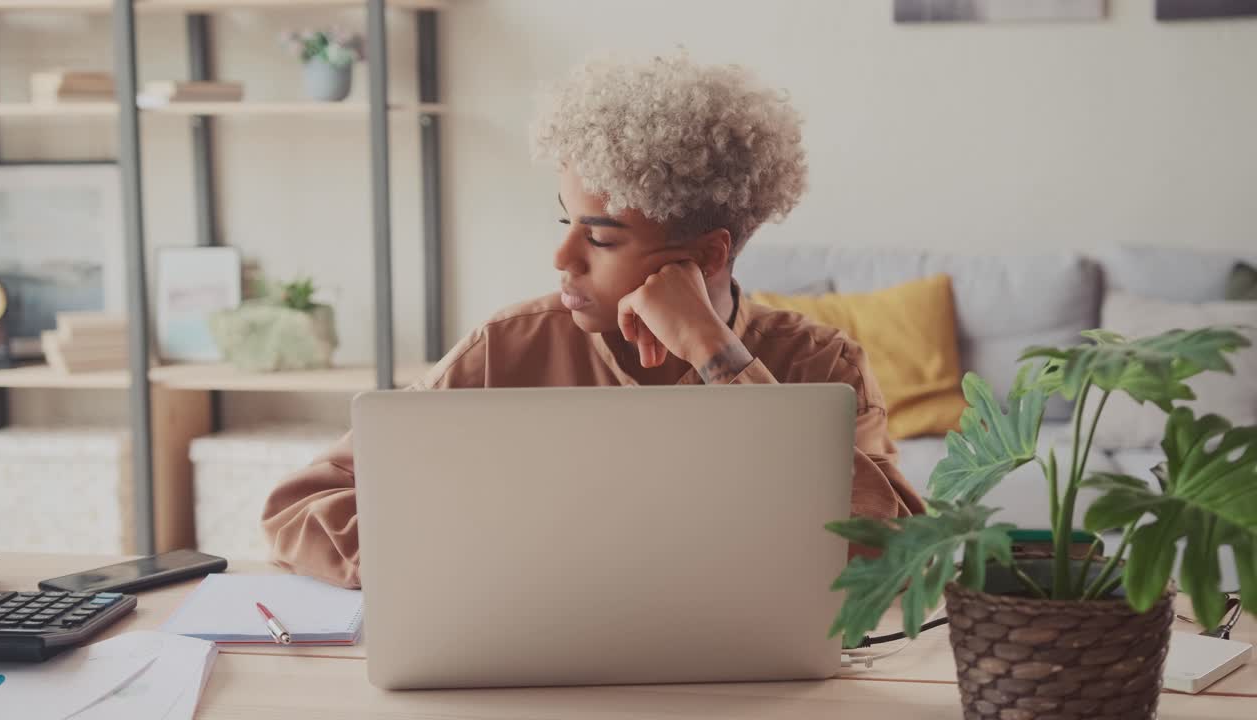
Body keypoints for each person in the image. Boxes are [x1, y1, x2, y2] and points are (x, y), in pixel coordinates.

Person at [262, 53, 924, 588]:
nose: (561, 257)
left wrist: (717, 355)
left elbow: (889, 555)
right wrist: (465, 567)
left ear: (707, 254)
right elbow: (299, 506)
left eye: (602, 239)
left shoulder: (821, 366)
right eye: (563, 220)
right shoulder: (507, 348)